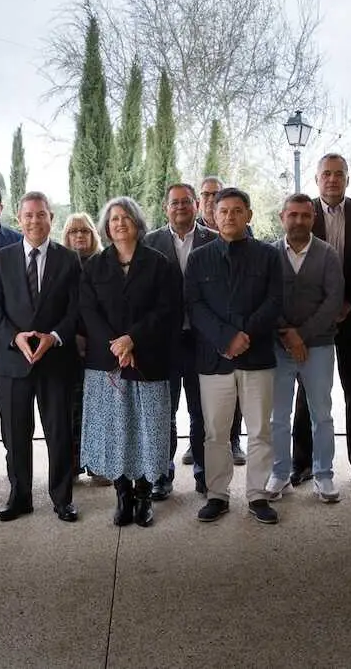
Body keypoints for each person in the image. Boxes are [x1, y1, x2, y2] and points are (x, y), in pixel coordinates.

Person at [185, 187, 283, 524]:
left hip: (257, 358)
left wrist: (245, 335)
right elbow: (194, 306)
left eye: (237, 210)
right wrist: (227, 338)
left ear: (249, 215)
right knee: (215, 432)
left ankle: (257, 495)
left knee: (259, 431)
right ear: (213, 215)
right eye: (223, 211)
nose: (229, 216)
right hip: (214, 359)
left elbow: (274, 301)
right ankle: (217, 495)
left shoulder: (269, 256)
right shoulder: (199, 258)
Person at [79, 197, 179, 527]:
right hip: (106, 362)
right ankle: (122, 495)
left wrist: (131, 339)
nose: (119, 223)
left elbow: (167, 310)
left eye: (126, 217)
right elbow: (88, 311)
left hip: (148, 359)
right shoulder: (95, 265)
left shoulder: (159, 262)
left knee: (148, 430)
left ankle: (144, 496)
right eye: (113, 219)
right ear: (106, 227)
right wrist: (115, 344)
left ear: (137, 222)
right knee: (116, 431)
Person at [0, 191, 82, 523]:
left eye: (41, 215)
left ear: (51, 218)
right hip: (13, 363)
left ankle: (62, 498)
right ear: (19, 219)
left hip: (56, 361)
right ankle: (20, 496)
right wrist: (15, 337)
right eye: (28, 215)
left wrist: (53, 338)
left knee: (59, 433)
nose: (35, 221)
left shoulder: (69, 259)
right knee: (15, 434)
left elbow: (75, 310)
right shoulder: (1, 259)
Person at [290, 153, 351, 485]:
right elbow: (295, 268)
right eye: (326, 174)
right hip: (313, 321)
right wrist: (322, 310)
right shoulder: (303, 212)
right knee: (308, 393)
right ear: (316, 180)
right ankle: (302, 463)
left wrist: (348, 304)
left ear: (347, 178)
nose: (332, 179)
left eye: (338, 174)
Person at [141, 183, 218, 497]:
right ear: (165, 208)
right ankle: (162, 474)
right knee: (164, 411)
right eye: (175, 203)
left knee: (201, 412)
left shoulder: (213, 240)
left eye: (187, 202)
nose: (181, 207)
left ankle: (203, 473)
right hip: (165, 343)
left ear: (197, 206)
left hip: (202, 341)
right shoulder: (150, 243)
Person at [267, 194, 344, 505]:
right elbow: (266, 299)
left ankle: (323, 475)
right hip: (278, 347)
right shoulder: (269, 254)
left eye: (305, 216)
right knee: (278, 416)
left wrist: (302, 336)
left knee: (322, 414)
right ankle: (280, 473)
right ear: (282, 217)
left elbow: (333, 301)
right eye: (293, 215)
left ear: (313, 218)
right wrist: (288, 335)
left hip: (320, 346)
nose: (298, 221)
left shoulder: (328, 254)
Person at [194, 175, 246, 465]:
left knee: (234, 389)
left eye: (217, 194)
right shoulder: (195, 233)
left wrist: (231, 335)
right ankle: (197, 442)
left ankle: (234, 439)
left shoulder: (242, 236)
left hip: (233, 334)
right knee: (198, 396)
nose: (211, 199)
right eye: (206, 195)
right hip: (191, 329)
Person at [61, 212, 110, 487]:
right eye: (73, 232)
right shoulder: (59, 264)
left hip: (99, 348)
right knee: (70, 409)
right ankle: (71, 466)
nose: (79, 236)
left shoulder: (105, 263)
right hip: (65, 348)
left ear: (94, 235)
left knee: (98, 409)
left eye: (85, 231)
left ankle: (99, 465)